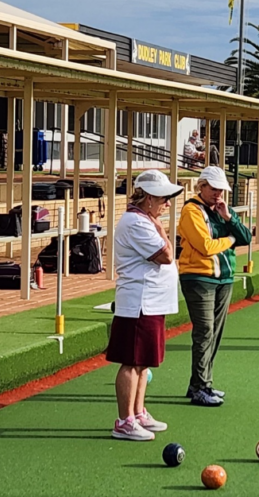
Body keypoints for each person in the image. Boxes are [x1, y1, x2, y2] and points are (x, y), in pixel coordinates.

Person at [107, 169, 183, 441]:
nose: (167, 203)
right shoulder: (137, 223)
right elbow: (165, 255)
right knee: (131, 362)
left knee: (143, 363)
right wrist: (161, 229)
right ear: (148, 198)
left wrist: (159, 227)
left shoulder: (144, 220)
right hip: (138, 302)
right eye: (163, 198)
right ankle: (124, 420)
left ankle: (137, 412)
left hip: (151, 302)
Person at [178, 166, 253, 407]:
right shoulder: (191, 210)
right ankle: (202, 386)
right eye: (213, 188)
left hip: (225, 278)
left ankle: (199, 383)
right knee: (205, 331)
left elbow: (247, 238)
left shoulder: (225, 210)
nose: (218, 193)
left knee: (215, 333)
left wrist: (229, 220)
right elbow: (205, 246)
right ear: (201, 186)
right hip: (198, 277)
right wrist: (231, 238)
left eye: (221, 189)